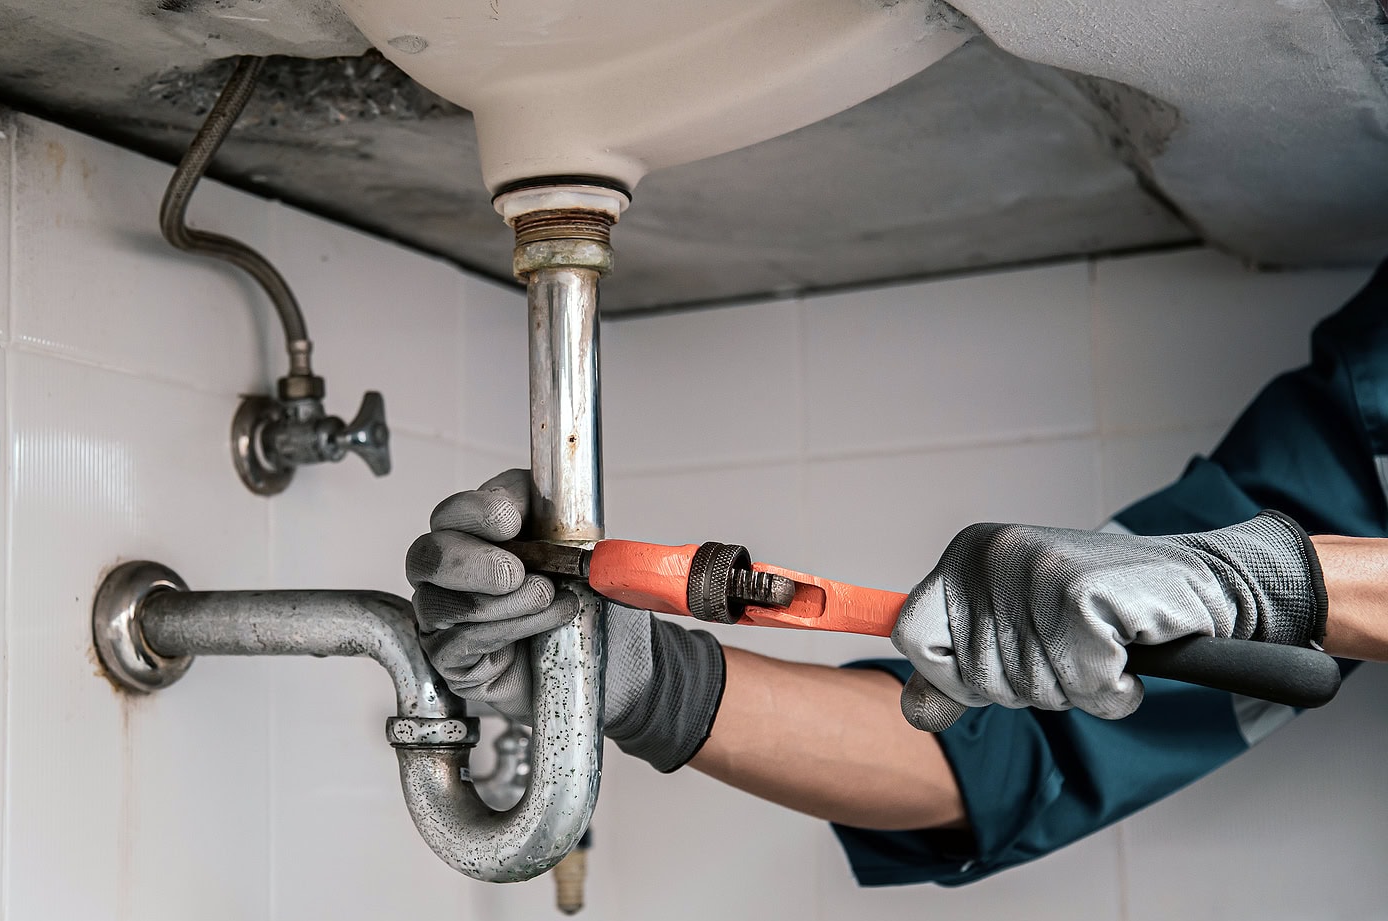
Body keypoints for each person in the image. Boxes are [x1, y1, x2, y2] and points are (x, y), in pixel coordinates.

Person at [405, 264, 1388, 887]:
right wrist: (633, 678)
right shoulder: (1365, 396)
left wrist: (1279, 582)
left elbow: (1280, 585)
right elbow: (1010, 751)